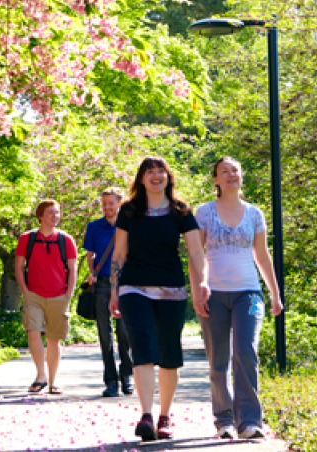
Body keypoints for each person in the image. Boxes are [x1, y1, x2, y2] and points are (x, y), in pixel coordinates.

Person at [109, 156, 210, 441]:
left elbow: (195, 252)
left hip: (171, 289)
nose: (156, 177)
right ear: (141, 179)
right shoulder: (129, 211)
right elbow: (119, 254)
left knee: (169, 354)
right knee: (142, 347)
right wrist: (114, 289)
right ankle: (146, 416)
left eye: (160, 172)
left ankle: (165, 416)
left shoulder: (180, 211)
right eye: (149, 172)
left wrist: (202, 282)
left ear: (168, 177)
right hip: (134, 287)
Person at [191, 157, 284, 439]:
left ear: (241, 176)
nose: (231, 175)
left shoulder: (254, 214)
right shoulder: (204, 212)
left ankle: (250, 422)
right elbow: (196, 256)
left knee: (245, 352)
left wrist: (275, 294)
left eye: (235, 171)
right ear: (215, 179)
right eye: (224, 172)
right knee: (218, 359)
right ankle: (224, 422)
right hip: (214, 294)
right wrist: (199, 290)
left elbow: (262, 256)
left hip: (249, 292)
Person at [14, 199, 78, 395]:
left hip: (59, 295)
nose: (55, 216)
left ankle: (53, 381)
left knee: (53, 339)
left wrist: (69, 294)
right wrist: (25, 290)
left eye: (57, 213)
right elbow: (18, 266)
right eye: (51, 213)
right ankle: (40, 376)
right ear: (40, 216)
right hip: (33, 294)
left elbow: (72, 269)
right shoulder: (27, 238)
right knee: (33, 332)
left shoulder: (66, 239)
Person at [82, 187, 133, 397]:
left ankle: (127, 377)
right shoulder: (94, 227)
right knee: (105, 334)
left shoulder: (130, 225)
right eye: (104, 204)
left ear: (120, 203)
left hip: (126, 283)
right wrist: (92, 272)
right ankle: (110, 381)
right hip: (102, 284)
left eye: (111, 203)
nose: (107, 208)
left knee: (124, 332)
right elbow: (90, 254)